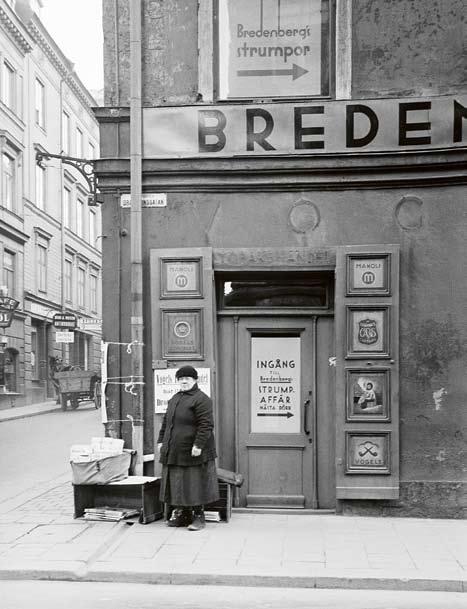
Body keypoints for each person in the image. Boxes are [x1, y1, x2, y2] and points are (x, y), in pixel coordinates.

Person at [157, 365, 219, 531]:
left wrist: (198, 445)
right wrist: (161, 441)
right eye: (181, 378)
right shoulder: (175, 398)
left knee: (195, 483)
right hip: (175, 450)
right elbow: (166, 422)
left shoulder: (202, 399)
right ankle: (183, 514)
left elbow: (206, 425)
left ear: (195, 380)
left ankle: (199, 516)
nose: (184, 381)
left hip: (194, 450)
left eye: (188, 378)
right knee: (178, 483)